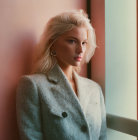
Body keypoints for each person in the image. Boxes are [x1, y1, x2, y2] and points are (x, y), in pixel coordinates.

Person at [16, 9, 107, 140]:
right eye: (72, 41)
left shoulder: (94, 89)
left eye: (84, 42)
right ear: (52, 44)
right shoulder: (33, 86)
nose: (81, 49)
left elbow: (102, 136)